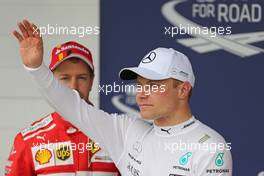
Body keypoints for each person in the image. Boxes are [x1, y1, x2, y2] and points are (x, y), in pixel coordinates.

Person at [13, 19, 232, 175]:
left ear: (183, 90)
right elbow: (71, 106)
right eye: (140, 85)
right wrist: (36, 68)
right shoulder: (128, 132)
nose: (142, 94)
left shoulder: (210, 147)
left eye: (154, 85)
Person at [5, 40, 120, 176]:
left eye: (82, 78)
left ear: (92, 81)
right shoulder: (28, 140)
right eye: (65, 78)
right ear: (51, 82)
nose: (73, 87)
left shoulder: (117, 133)